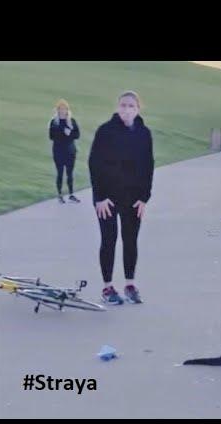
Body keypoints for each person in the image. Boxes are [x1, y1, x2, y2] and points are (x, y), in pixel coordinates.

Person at [88, 91, 154, 305]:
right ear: (118, 108)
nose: (126, 109)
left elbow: (148, 167)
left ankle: (130, 284)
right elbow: (94, 164)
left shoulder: (144, 134)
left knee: (130, 240)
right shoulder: (105, 132)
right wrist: (99, 197)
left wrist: (144, 198)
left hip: (133, 199)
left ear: (137, 109)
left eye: (131, 106)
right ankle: (107, 288)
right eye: (123, 105)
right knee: (109, 240)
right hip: (107, 198)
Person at [49, 99, 81, 203]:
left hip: (70, 151)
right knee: (60, 173)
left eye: (65, 109)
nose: (63, 111)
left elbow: (77, 135)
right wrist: (62, 133)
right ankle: (60, 194)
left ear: (67, 110)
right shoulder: (54, 122)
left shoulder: (72, 121)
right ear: (57, 110)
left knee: (70, 173)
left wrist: (70, 133)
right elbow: (51, 136)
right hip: (58, 151)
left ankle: (71, 194)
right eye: (61, 109)